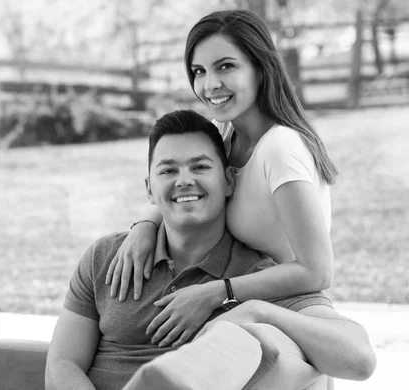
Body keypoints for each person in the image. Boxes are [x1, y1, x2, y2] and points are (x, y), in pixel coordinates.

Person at [45, 110, 375, 390]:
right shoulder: (107, 257)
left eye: (200, 167)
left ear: (229, 181)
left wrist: (257, 310)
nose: (184, 180)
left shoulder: (255, 275)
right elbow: (63, 362)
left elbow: (359, 358)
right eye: (168, 170)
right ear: (149, 188)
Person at [107, 9, 337, 348]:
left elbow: (317, 271)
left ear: (260, 68)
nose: (210, 84)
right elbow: (187, 185)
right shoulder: (224, 133)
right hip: (242, 321)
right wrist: (144, 225)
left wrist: (218, 292)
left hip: (290, 324)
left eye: (225, 66)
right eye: (199, 71)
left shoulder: (280, 149)